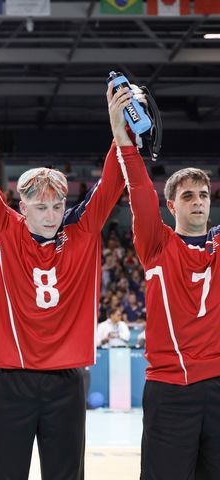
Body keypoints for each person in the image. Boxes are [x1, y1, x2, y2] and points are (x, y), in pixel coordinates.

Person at [0, 83, 136, 478]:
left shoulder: (83, 229)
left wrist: (118, 131)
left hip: (66, 381)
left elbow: (111, 183)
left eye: (58, 205)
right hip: (10, 380)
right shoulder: (4, 228)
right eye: (41, 207)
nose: (52, 214)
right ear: (22, 207)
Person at [117, 100, 220, 478]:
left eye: (204, 195)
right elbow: (139, 189)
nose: (197, 202)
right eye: (188, 196)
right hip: (170, 387)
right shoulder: (157, 244)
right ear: (171, 206)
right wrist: (121, 134)